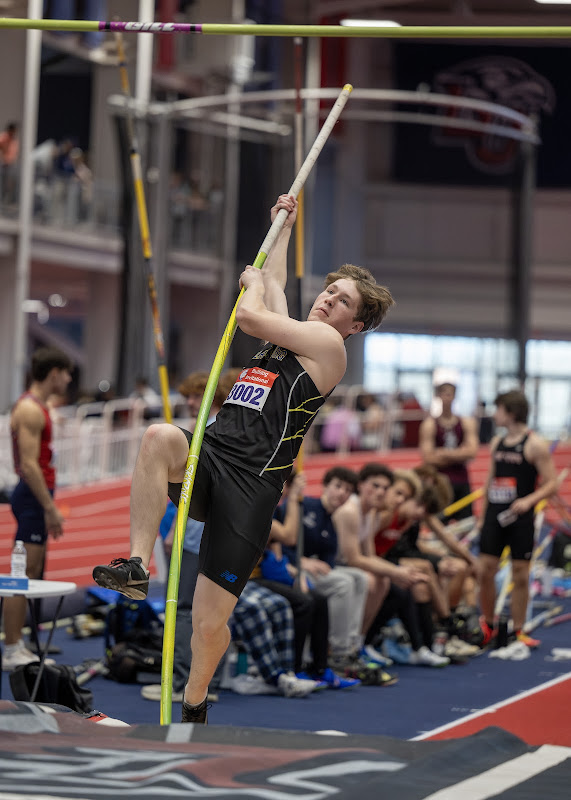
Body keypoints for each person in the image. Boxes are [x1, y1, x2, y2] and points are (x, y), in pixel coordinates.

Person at [93, 192, 395, 723]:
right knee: (160, 436)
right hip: (211, 456)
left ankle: (195, 702)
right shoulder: (294, 336)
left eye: (342, 301)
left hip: (251, 489)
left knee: (209, 624)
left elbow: (253, 316)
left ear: (356, 324)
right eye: (329, 291)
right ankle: (138, 565)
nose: (327, 300)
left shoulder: (327, 348)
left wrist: (251, 288)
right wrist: (284, 224)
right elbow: (274, 282)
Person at [3, 347, 73, 671]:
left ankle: (27, 639)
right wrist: (50, 508)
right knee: (23, 575)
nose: (69, 379)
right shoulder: (30, 409)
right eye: (66, 373)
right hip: (32, 498)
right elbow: (29, 466)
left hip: (36, 497)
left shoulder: (39, 406)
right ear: (54, 372)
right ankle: (12, 647)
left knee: (35, 573)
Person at [476, 390, 558, 649]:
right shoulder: (497, 443)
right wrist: (482, 513)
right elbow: (490, 479)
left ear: (510, 412)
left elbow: (552, 484)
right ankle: (488, 623)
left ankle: (519, 628)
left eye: (498, 409)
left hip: (520, 518)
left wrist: (528, 501)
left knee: (520, 574)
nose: (494, 414)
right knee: (485, 570)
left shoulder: (534, 444)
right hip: (494, 516)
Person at [419, 381, 479, 520]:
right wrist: (460, 454)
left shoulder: (466, 422)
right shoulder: (429, 425)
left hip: (462, 480)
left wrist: (443, 452)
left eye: (450, 394)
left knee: (465, 523)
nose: (447, 398)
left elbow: (472, 452)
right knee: (440, 521)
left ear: (454, 396)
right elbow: (428, 458)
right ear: (438, 396)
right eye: (444, 394)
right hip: (440, 482)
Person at [0, 121, 19, 205]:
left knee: (12, 183)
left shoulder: (14, 140)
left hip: (12, 164)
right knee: (3, 183)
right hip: (4, 164)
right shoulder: (4, 137)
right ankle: (2, 200)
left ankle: (10, 200)